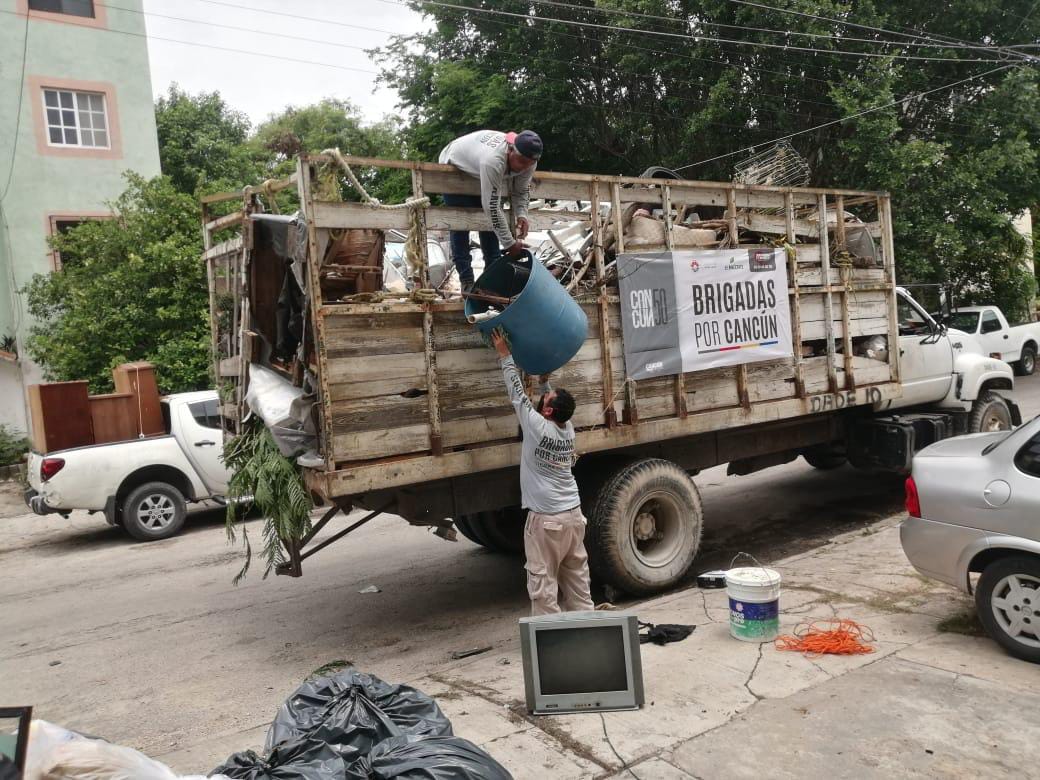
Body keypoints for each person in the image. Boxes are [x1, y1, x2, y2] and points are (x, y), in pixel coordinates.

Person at [490, 328, 595, 616]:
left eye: (547, 398)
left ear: (548, 412)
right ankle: (588, 631)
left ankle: (551, 643)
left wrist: (504, 354)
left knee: (543, 584)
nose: (544, 397)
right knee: (577, 582)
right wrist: (545, 379)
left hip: (548, 522)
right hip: (573, 517)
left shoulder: (536, 428)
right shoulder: (567, 429)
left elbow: (517, 395)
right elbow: (547, 403)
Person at [438, 129, 543, 289]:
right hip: (455, 165)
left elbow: (521, 190)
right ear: (510, 150)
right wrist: (509, 244)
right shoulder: (493, 160)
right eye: (521, 162)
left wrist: (522, 214)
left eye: (528, 164)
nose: (523, 168)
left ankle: (491, 282)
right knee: (461, 224)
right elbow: (492, 207)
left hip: (480, 168)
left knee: (490, 226)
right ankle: (466, 280)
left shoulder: (529, 160)